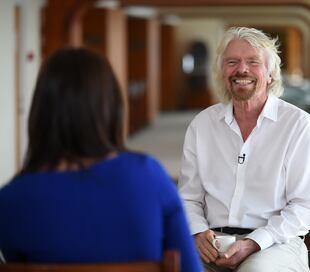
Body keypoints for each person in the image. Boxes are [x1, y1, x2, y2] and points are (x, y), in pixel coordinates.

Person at [0, 48, 202, 272]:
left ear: (40, 111)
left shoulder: (11, 200)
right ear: (112, 107)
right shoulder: (148, 175)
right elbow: (189, 268)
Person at [178, 27, 310, 272]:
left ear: (270, 74)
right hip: (211, 243)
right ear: (222, 72)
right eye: (232, 62)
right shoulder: (202, 125)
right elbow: (189, 197)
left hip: (274, 244)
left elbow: (304, 207)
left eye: (253, 62)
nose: (241, 70)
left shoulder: (299, 125)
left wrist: (255, 242)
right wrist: (198, 231)